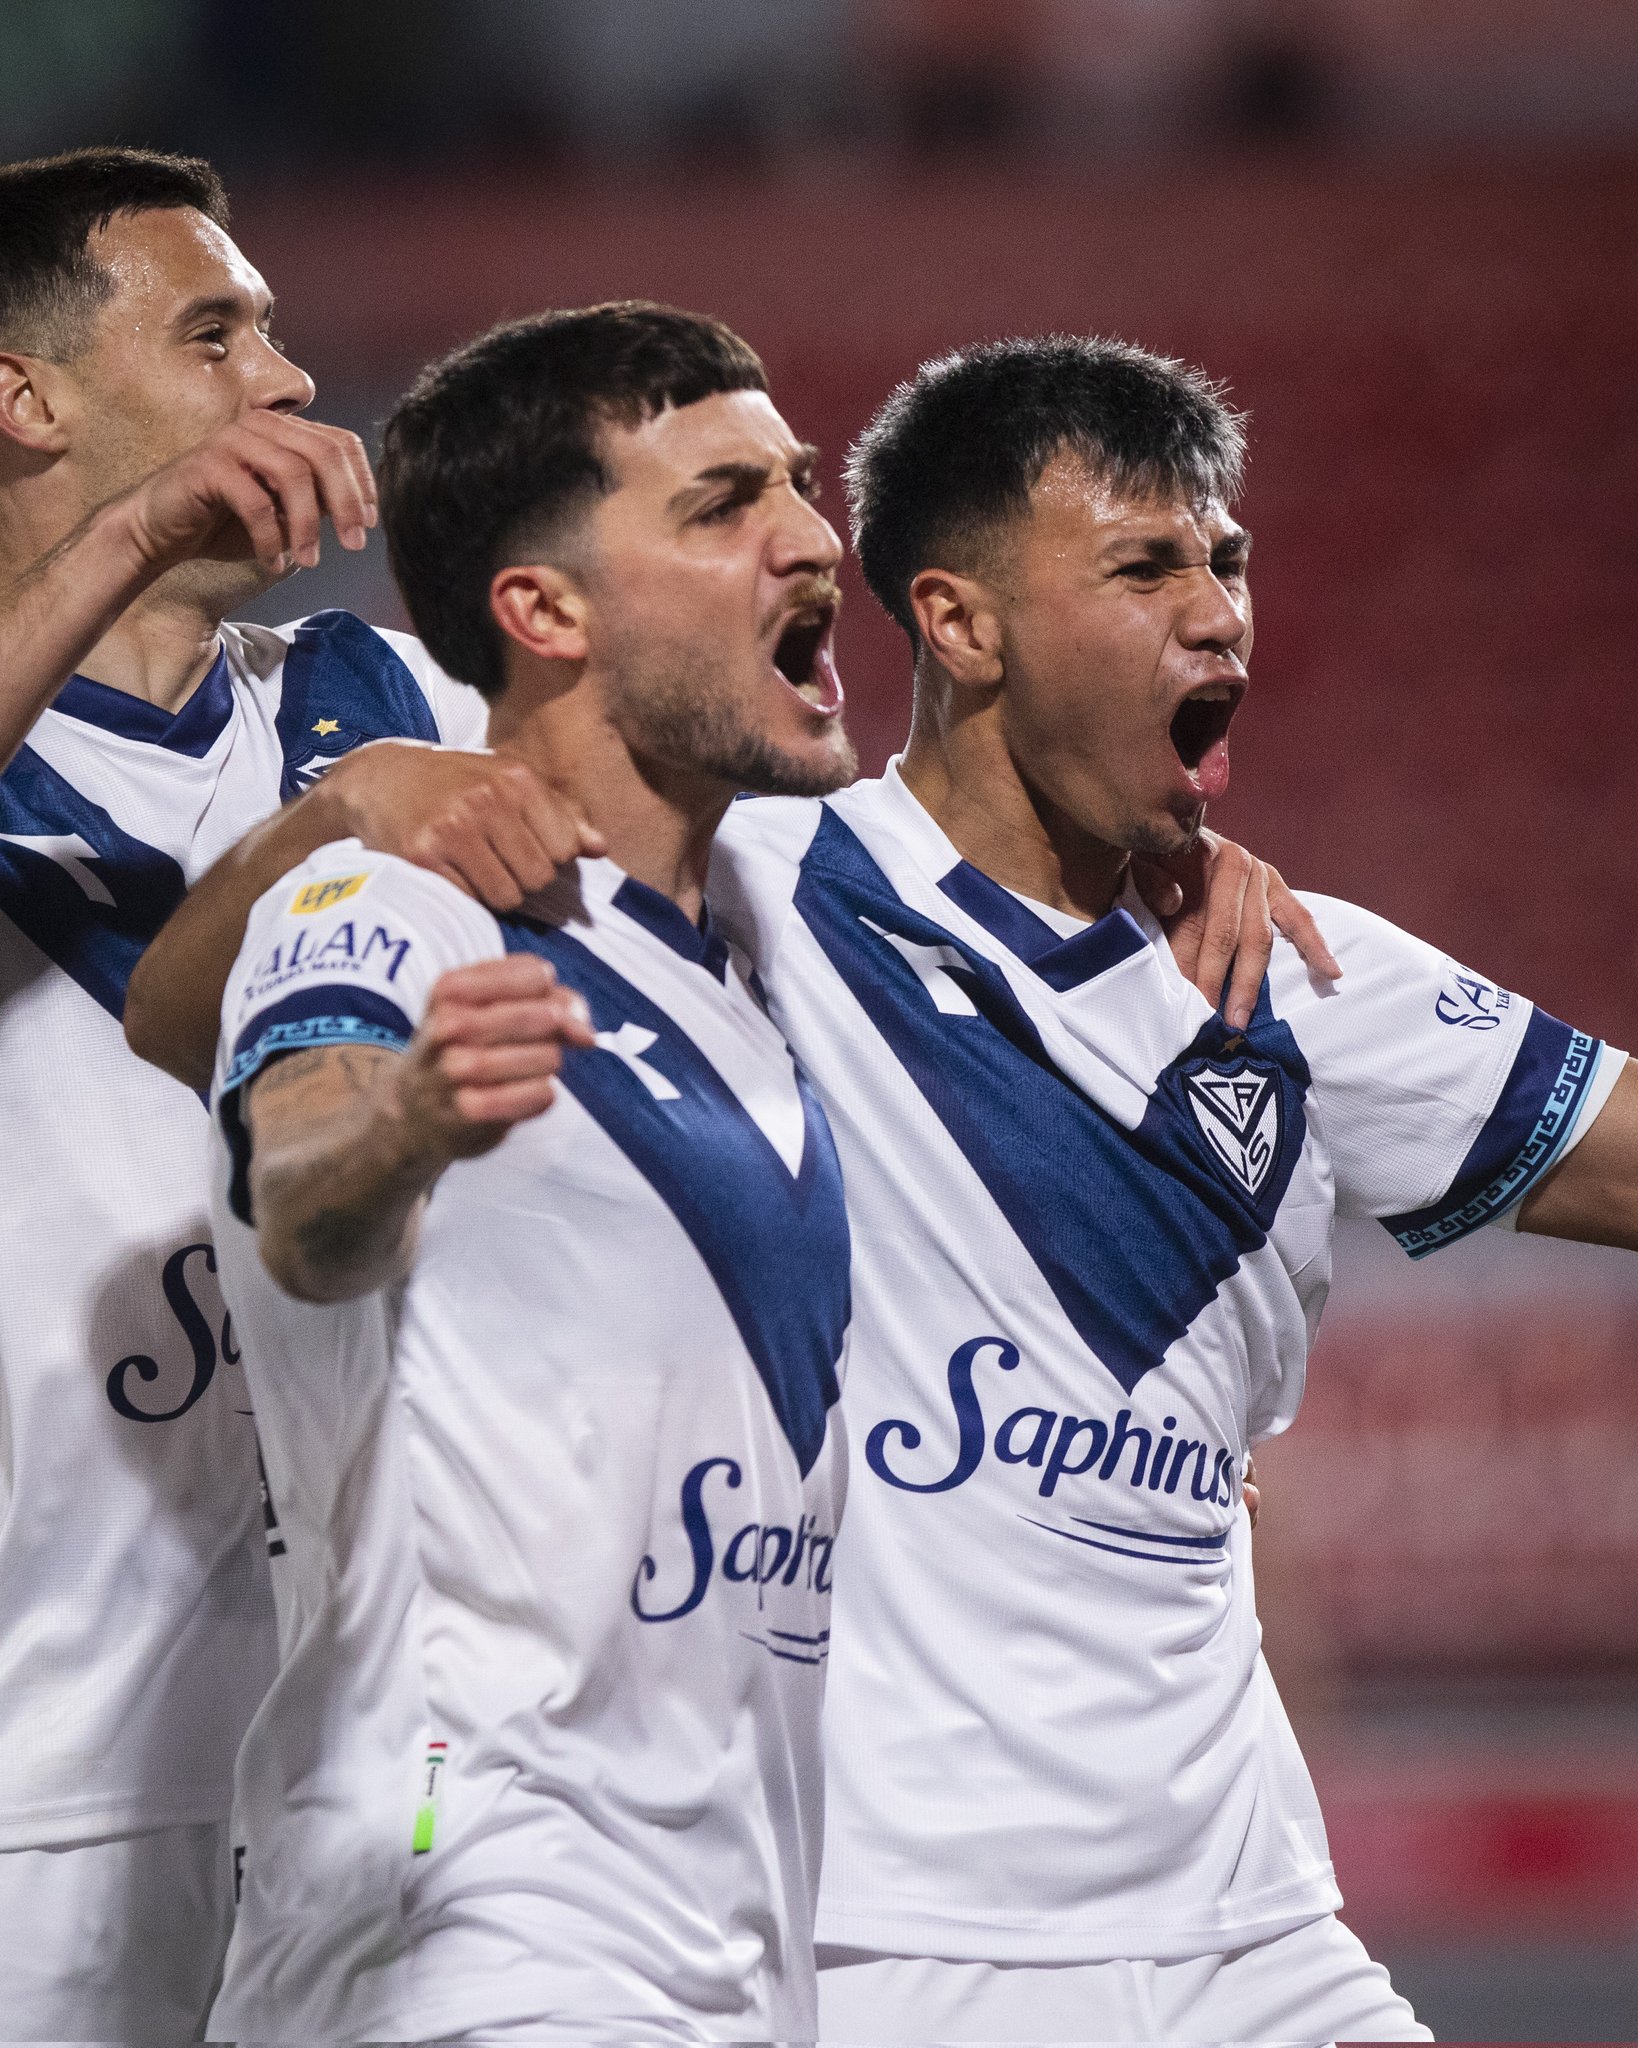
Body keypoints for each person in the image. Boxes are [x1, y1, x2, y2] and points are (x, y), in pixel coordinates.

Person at [706, 335, 1637, 2044]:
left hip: (1258, 1938)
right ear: (959, 622)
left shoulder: (1290, 975)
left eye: (1228, 560)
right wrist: (404, 787)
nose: (1217, 611)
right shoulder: (743, 896)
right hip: (891, 1950)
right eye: (1142, 565)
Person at [203, 304, 859, 2042]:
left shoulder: (764, 949)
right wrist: (409, 1123)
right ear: (543, 611)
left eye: (798, 484)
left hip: (726, 1933)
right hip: (472, 1908)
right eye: (723, 504)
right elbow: (307, 1200)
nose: (811, 535)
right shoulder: (394, 907)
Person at [0, 145, 596, 2038]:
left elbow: (771, 872)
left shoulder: (402, 699)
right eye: (211, 333)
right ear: (22, 399)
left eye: (272, 328)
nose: (279, 378)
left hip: (398, 1758)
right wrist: (117, 544)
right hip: (49, 1787)